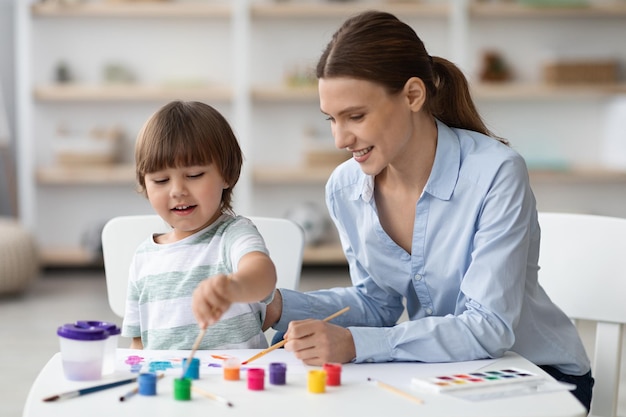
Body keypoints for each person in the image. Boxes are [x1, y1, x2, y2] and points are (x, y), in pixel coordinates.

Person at [261, 10, 593, 411]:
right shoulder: (346, 188)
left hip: (537, 378)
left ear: (413, 95)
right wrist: (278, 305)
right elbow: (375, 305)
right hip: (443, 377)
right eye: (331, 119)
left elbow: (489, 328)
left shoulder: (496, 173)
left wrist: (355, 344)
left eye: (356, 116)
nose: (339, 138)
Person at [121, 100, 277, 351]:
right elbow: (138, 343)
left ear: (227, 174)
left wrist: (234, 287)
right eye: (160, 180)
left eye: (193, 176)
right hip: (170, 386)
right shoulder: (143, 258)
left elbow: (263, 276)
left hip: (235, 384)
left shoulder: (233, 235)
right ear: (145, 184)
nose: (177, 191)